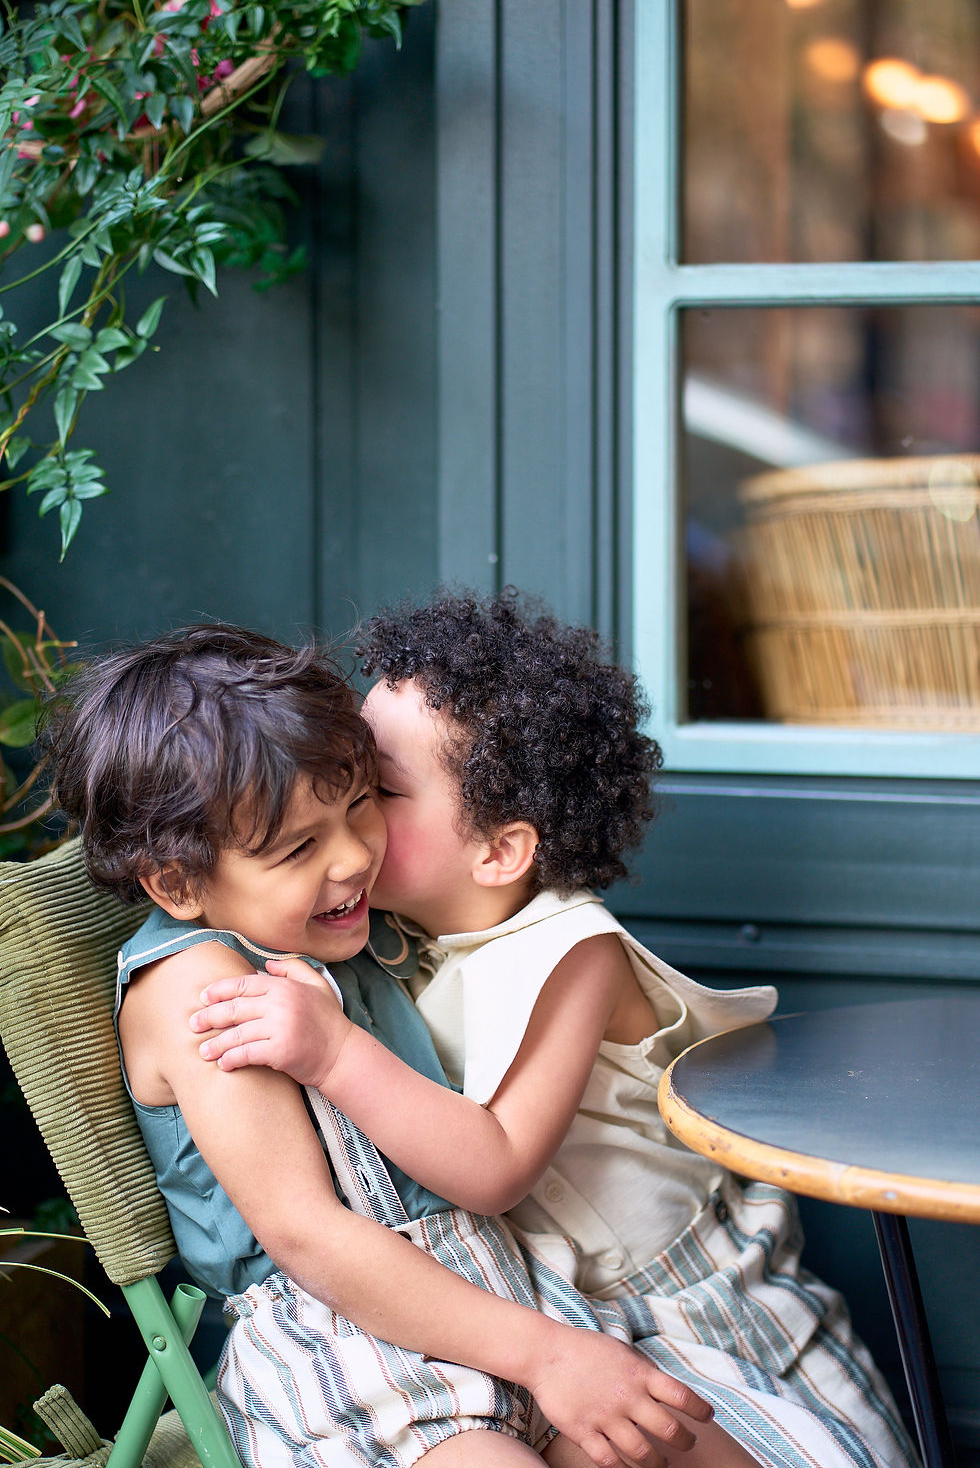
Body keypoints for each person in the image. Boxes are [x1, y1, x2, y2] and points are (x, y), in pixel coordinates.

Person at [192, 592, 920, 1468]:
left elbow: (493, 1166)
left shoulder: (571, 954)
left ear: (500, 853)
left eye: (374, 790)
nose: (346, 817)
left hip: (692, 1308)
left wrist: (336, 1051)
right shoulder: (386, 935)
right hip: (556, 1307)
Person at [44, 622, 717, 1468]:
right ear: (178, 883)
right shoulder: (202, 989)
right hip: (348, 1340)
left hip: (490, 1287)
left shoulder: (321, 932)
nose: (356, 855)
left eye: (362, 802)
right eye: (300, 846)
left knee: (680, 1439)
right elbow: (308, 1235)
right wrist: (546, 1355)